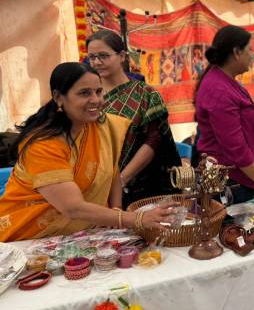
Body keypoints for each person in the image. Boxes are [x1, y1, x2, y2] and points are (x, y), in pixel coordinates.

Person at [0, 63, 176, 242]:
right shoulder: (42, 145)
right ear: (58, 97)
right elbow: (73, 208)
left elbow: (111, 170)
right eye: (84, 93)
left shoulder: (99, 125)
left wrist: (115, 212)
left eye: (98, 92)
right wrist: (135, 219)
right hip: (27, 237)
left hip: (83, 232)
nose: (96, 100)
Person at [86, 30, 181, 208]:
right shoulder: (87, 96)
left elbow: (154, 140)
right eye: (92, 57)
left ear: (122, 56)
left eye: (103, 56)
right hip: (94, 184)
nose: (97, 62)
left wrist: (121, 180)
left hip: (139, 187)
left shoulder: (145, 94)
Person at [195, 25, 254, 203]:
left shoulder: (227, 82)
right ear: (237, 52)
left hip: (244, 175)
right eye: (249, 50)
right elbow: (236, 148)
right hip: (230, 182)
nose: (252, 56)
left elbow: (250, 134)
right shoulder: (219, 90)